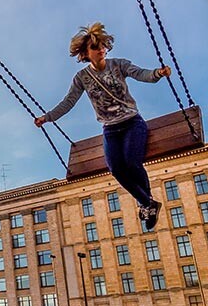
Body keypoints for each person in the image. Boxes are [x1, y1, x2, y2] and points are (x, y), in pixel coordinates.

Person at [35, 23, 172, 230]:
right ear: (85, 53)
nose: (100, 50)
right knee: (116, 168)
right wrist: (47, 118)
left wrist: (158, 73)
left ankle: (146, 202)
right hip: (110, 129)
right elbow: (68, 102)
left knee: (132, 162)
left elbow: (141, 74)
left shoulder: (119, 64)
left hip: (132, 123)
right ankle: (147, 203)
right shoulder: (82, 78)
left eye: (102, 46)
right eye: (95, 47)